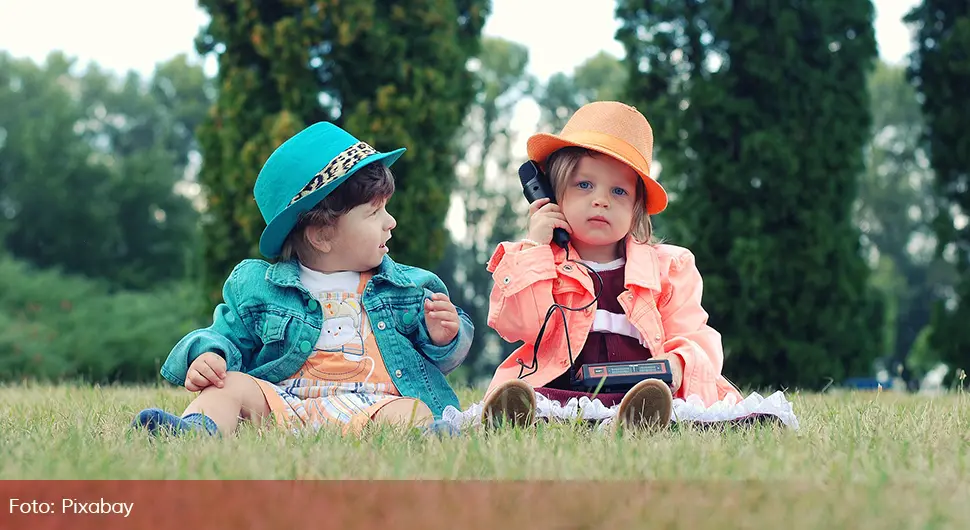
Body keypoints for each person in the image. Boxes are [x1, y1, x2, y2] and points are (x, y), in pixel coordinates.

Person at [132, 122, 473, 438]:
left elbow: (441, 358)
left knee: (412, 410)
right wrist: (210, 356)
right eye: (374, 213)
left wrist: (443, 337)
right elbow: (226, 335)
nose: (391, 222)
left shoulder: (404, 288)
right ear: (322, 235)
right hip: (284, 402)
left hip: (373, 405)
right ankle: (196, 430)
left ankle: (431, 437)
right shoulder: (259, 287)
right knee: (228, 385)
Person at [481, 101, 742, 431]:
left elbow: (695, 335)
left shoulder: (668, 268)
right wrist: (536, 249)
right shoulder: (537, 260)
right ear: (550, 195)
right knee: (539, 402)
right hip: (563, 390)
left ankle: (635, 421)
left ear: (636, 208)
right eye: (584, 185)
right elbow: (518, 324)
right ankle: (519, 417)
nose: (601, 200)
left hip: (641, 391)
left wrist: (676, 363)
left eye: (619, 190)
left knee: (663, 404)